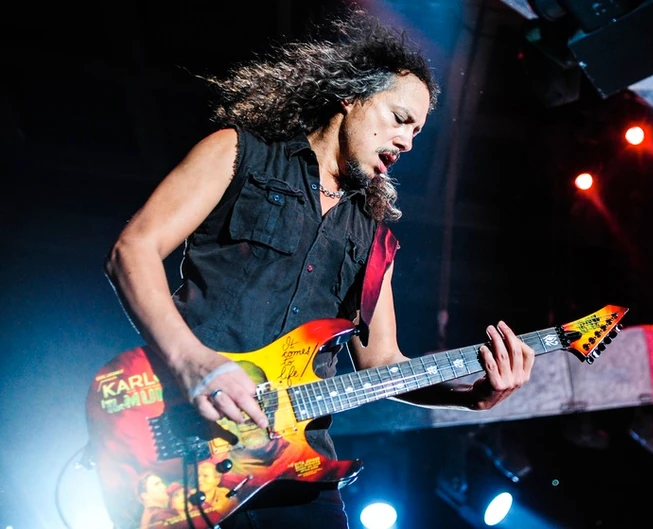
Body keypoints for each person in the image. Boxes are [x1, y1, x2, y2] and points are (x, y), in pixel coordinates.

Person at [103, 6, 536, 529]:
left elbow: (381, 363)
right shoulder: (238, 153)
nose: (408, 142)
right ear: (351, 96)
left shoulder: (375, 237)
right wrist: (193, 363)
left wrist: (470, 398)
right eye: (400, 119)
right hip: (184, 436)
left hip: (297, 471)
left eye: (418, 132)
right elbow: (133, 249)